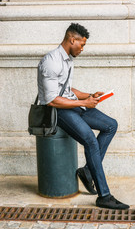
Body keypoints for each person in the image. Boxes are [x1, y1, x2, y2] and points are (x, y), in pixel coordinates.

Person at [38, 23, 129, 210]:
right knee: (90, 140)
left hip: (72, 105)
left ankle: (87, 171)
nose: (82, 48)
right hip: (58, 111)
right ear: (72, 40)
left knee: (111, 125)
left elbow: (67, 90)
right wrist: (83, 103)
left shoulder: (67, 59)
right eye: (82, 44)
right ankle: (104, 196)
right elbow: (51, 100)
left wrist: (88, 96)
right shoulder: (51, 62)